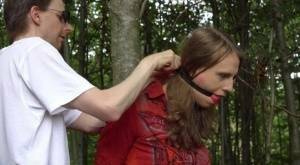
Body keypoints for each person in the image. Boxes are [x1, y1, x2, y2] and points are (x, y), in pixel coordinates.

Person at [0, 0, 180, 164]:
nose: (68, 27)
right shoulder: (35, 50)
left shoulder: (6, 60)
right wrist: (149, 63)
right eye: (62, 17)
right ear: (36, 15)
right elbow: (109, 107)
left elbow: (92, 121)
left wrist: (149, 77)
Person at [94, 27, 242, 165]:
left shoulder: (197, 116)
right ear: (193, 67)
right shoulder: (135, 107)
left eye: (233, 79)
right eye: (223, 76)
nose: (230, 88)